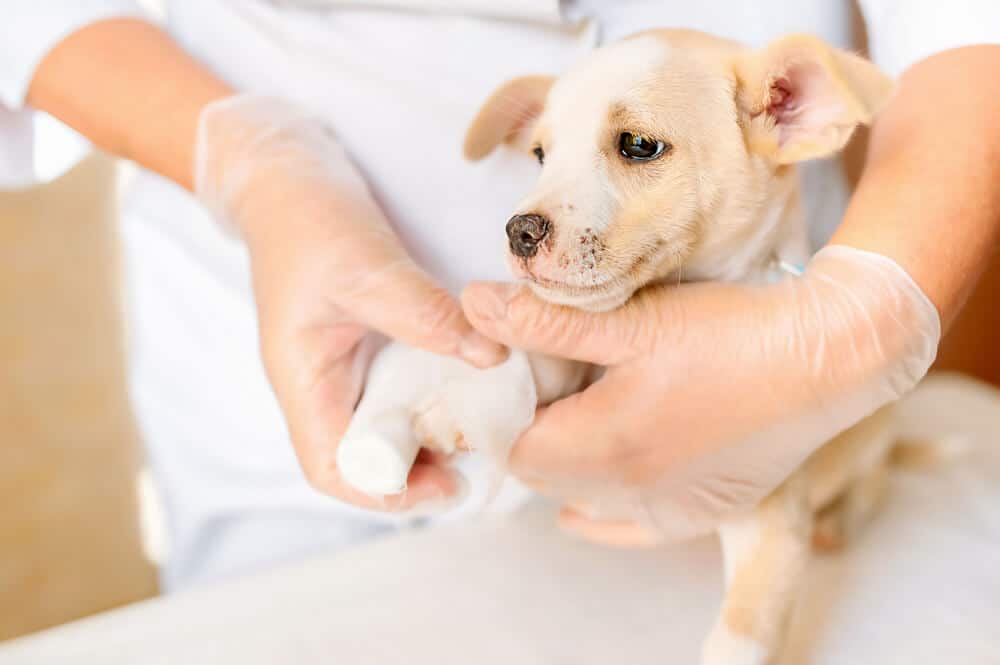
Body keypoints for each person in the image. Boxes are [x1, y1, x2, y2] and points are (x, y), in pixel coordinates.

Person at [3, 1, 998, 588]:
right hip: (290, 456)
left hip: (755, 394)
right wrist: (251, 164)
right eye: (539, 150)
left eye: (633, 146)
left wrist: (872, 306)